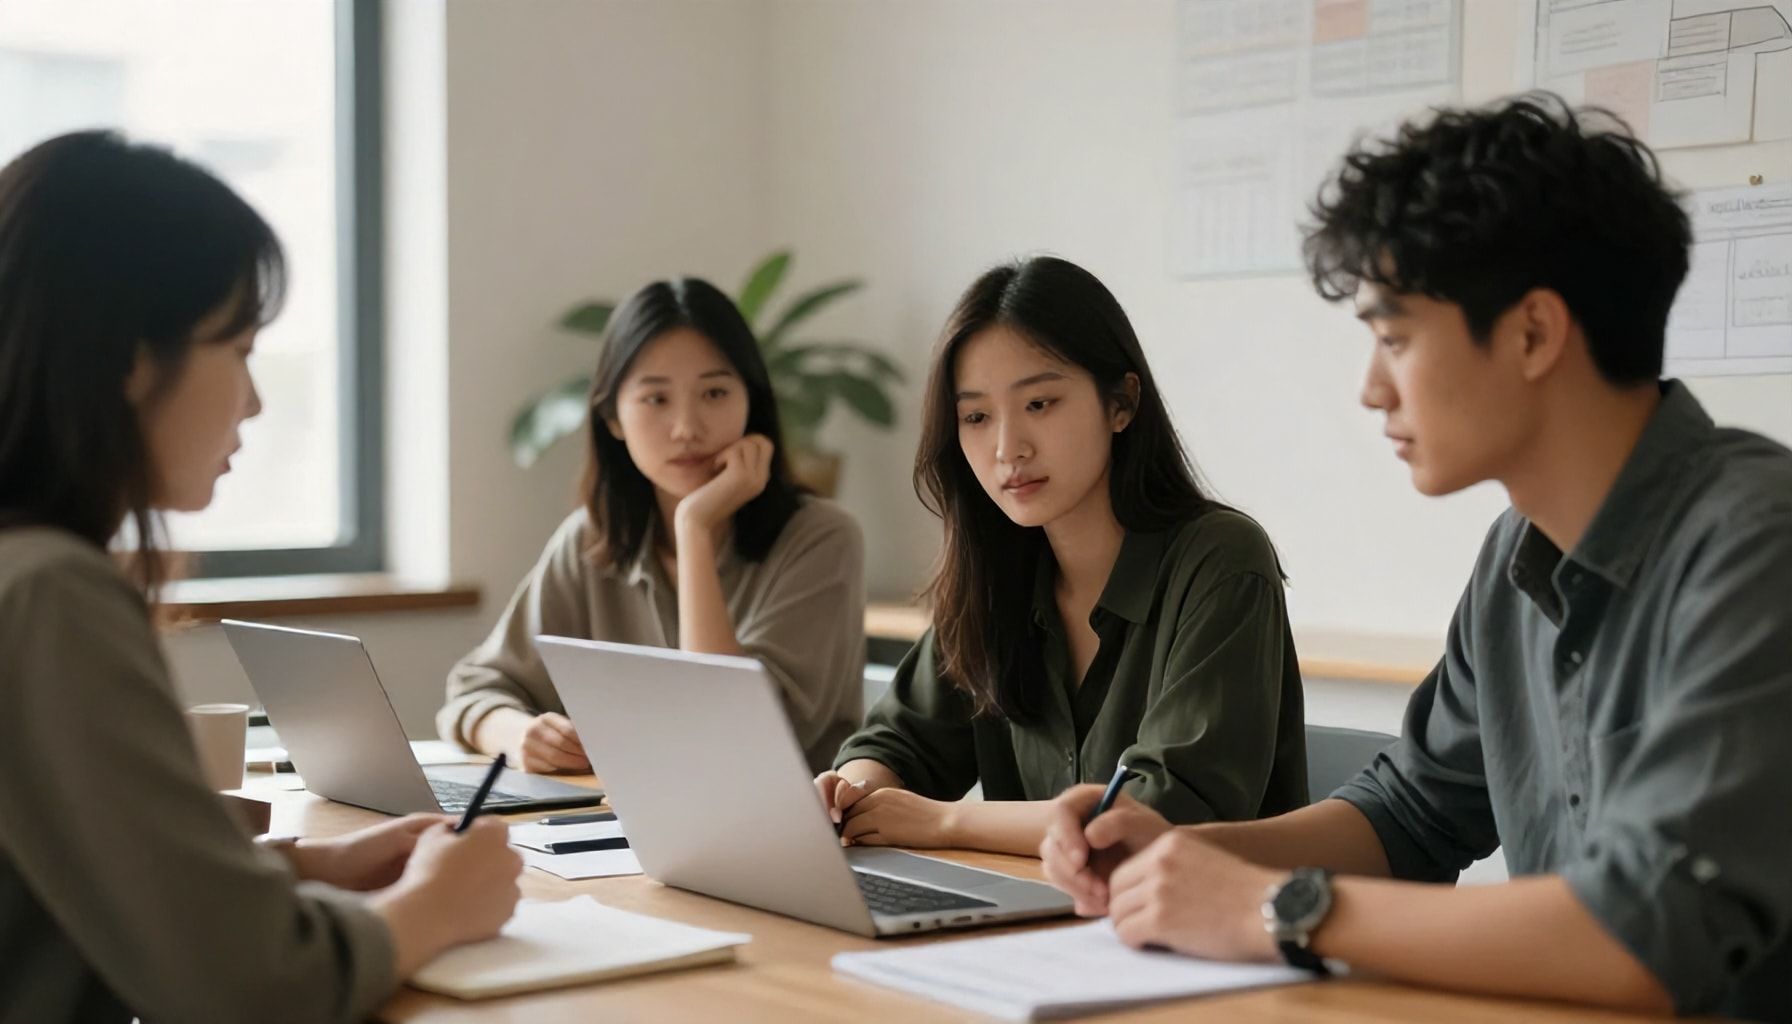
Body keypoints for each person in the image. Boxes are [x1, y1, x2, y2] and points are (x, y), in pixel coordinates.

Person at [1040, 96, 1792, 1021]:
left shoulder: (1759, 542)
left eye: (1394, 338)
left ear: (1533, 333)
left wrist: (1281, 909)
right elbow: (1412, 814)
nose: (1370, 388)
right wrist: (1182, 858)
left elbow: (1650, 929)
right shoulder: (1520, 552)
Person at [0, 131, 522, 1022]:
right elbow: (248, 989)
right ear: (130, 357)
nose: (254, 401)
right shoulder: (49, 591)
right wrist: (434, 909)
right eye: (239, 349)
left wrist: (303, 867)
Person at [816, 255, 1307, 856]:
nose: (1007, 448)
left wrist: (948, 823)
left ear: (1122, 403)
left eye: (1040, 404)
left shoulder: (1221, 560)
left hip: (1205, 935)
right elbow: (898, 744)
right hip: (1037, 930)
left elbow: (1164, 813)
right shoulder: (998, 577)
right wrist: (852, 794)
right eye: (975, 416)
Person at [439, 277, 865, 775]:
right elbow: (474, 686)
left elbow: (726, 735)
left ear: (752, 400)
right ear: (613, 418)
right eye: (656, 399)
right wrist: (516, 734)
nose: (687, 427)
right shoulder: (591, 540)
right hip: (613, 827)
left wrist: (695, 528)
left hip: (780, 837)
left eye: (715, 392)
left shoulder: (822, 538)